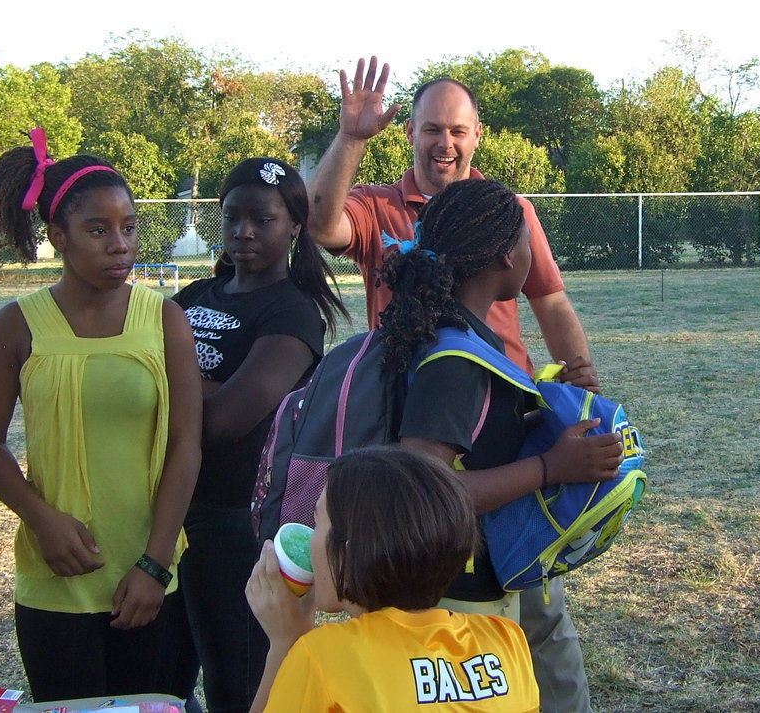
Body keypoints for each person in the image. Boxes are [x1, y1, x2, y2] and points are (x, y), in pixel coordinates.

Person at [306, 56, 599, 712]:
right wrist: (351, 138)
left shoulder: (506, 210)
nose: (445, 143)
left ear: (478, 134)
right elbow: (322, 225)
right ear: (408, 132)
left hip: (504, 435)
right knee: (447, 623)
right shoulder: (383, 209)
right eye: (431, 129)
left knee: (536, 612)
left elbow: (550, 299)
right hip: (445, 429)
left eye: (457, 131)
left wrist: (578, 379)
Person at [0, 130, 202, 703]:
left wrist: (155, 564)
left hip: (149, 578)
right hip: (57, 582)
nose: (119, 244)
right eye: (98, 230)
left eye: (129, 227)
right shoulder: (17, 325)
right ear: (58, 237)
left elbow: (185, 445)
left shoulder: (164, 319)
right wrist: (40, 517)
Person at [376, 179, 622, 654]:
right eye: (528, 237)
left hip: (454, 590)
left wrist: (552, 419)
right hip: (449, 607)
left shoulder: (459, 335)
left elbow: (474, 437)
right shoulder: (455, 357)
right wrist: (551, 468)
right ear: (508, 254)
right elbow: (424, 488)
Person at [166, 158, 347, 712]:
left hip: (235, 522)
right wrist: (209, 382)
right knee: (162, 677)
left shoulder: (292, 313)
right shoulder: (195, 296)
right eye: (232, 217)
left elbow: (224, 423)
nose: (243, 230)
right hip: (167, 512)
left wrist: (176, 379)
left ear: (294, 226)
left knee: (236, 683)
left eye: (261, 219)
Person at [245, 445, 540, 713]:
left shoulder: (323, 658)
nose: (310, 538)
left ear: (348, 556)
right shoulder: (506, 639)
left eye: (318, 521)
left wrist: (287, 642)